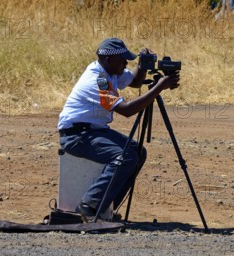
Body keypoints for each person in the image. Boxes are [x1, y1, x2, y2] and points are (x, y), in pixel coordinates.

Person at [57, 37, 180, 221]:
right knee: (125, 156)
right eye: (123, 60)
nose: (125, 63)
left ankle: (106, 207)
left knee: (138, 152)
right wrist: (159, 88)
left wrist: (143, 65)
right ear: (108, 59)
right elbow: (127, 110)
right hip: (77, 135)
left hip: (93, 130)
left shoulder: (109, 71)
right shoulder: (98, 81)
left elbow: (136, 82)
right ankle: (89, 204)